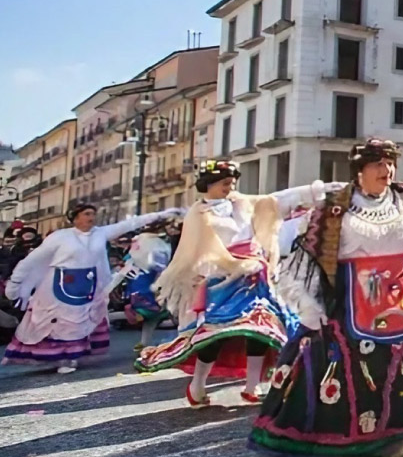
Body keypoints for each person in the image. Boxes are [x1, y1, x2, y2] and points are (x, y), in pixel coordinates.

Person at [251, 139, 403, 457]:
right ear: (360, 170)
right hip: (346, 302)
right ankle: (349, 440)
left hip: (394, 303)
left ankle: (400, 434)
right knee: (349, 370)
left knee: (397, 369)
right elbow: (302, 255)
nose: (387, 170)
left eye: (390, 163)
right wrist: (308, 303)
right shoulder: (336, 205)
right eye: (378, 164)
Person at [137, 160, 334, 406]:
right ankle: (197, 385)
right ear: (208, 184)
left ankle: (252, 386)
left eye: (231, 183)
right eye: (224, 183)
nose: (230, 188)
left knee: (260, 330)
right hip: (221, 282)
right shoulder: (198, 215)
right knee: (217, 335)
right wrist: (212, 271)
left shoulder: (244, 203)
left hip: (254, 279)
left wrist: (321, 189)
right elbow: (195, 252)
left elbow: (278, 199)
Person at [4, 203, 181, 373]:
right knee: (59, 322)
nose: (91, 218)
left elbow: (129, 223)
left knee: (80, 322)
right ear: (75, 218)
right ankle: (58, 357)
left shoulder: (100, 234)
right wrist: (16, 283)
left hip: (88, 284)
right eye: (86, 214)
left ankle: (70, 358)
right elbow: (32, 260)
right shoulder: (59, 237)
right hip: (58, 284)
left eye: (92, 214)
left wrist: (161, 214)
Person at [122, 227, 177, 350]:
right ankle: (145, 341)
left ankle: (145, 342)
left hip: (145, 288)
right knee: (154, 314)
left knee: (154, 316)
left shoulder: (148, 252)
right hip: (146, 289)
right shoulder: (154, 251)